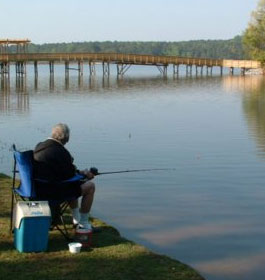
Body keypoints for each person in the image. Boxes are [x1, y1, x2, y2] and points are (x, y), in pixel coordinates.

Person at [33, 123, 96, 231]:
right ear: (66, 138)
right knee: (90, 186)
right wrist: (85, 175)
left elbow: (63, 171)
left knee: (72, 185)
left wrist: (78, 172)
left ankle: (76, 220)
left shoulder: (39, 146)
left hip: (35, 190)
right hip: (51, 193)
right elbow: (70, 176)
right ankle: (84, 223)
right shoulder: (62, 152)